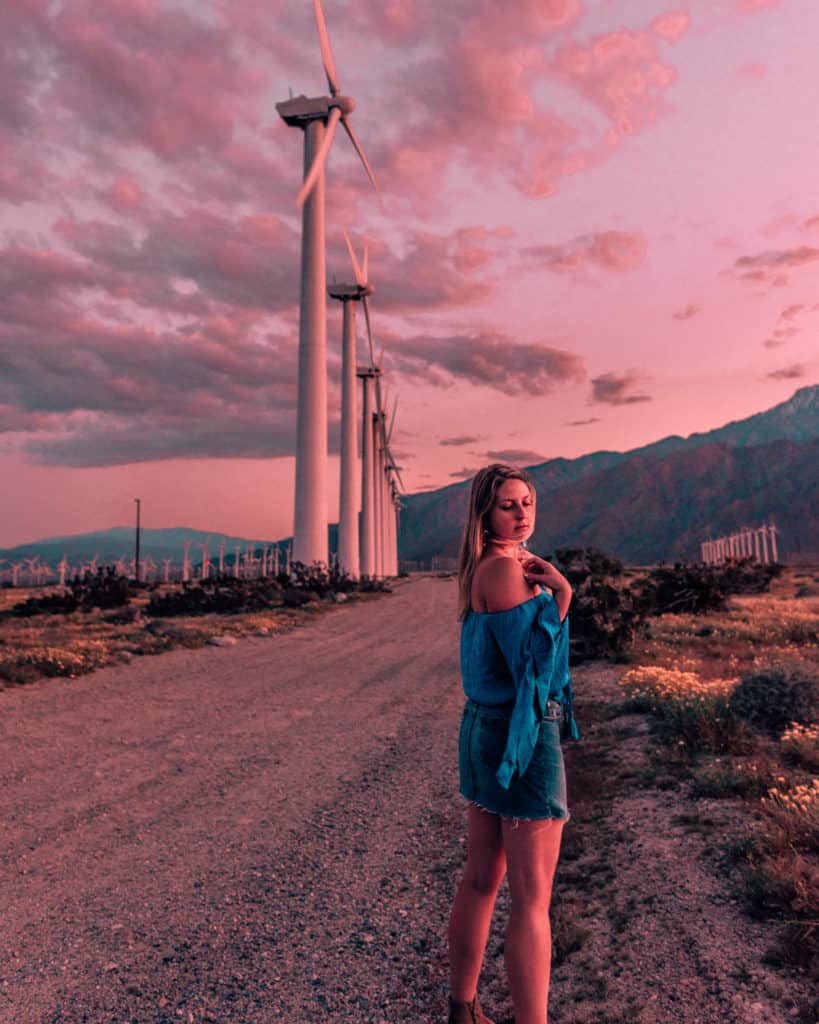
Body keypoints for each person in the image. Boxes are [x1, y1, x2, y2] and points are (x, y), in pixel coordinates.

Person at [446, 463, 578, 1024]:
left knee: (482, 879)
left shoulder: (492, 567)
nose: (521, 513)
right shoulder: (503, 572)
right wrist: (563, 592)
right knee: (530, 900)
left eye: (527, 501)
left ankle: (463, 1008)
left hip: (487, 727)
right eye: (508, 504)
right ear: (485, 513)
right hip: (519, 736)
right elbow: (537, 667)